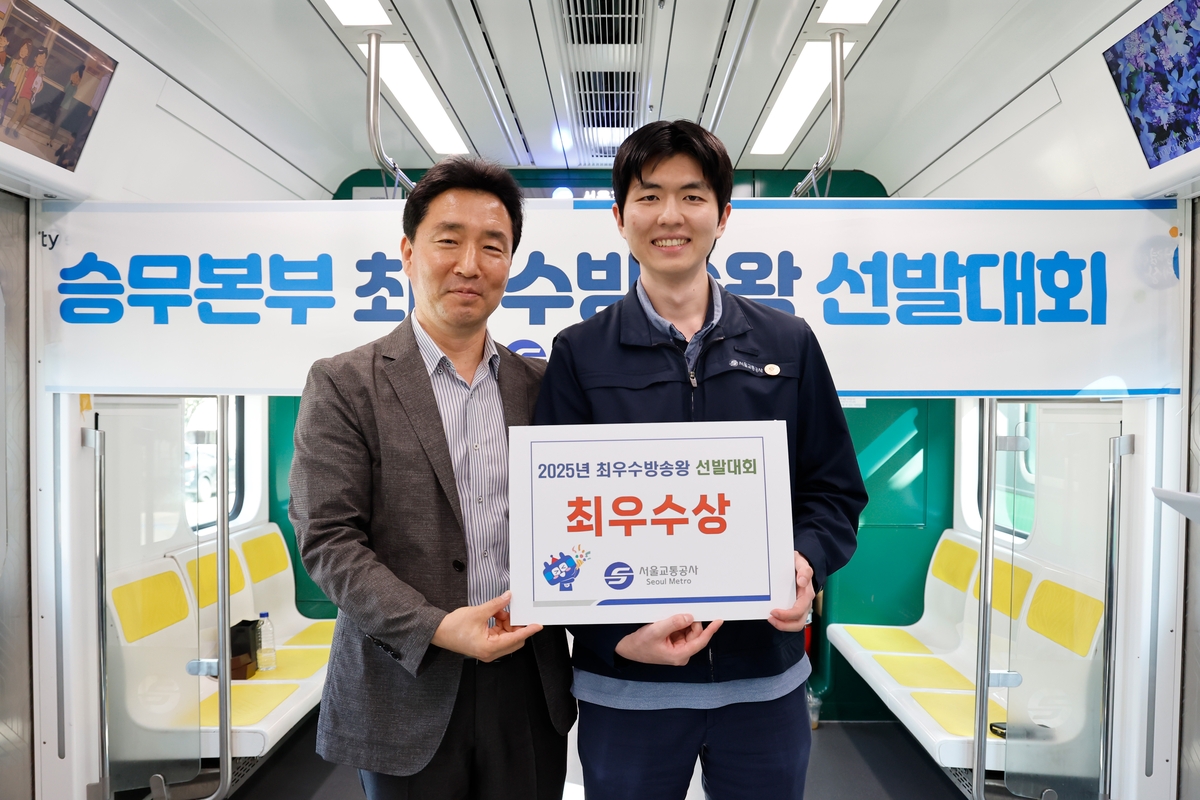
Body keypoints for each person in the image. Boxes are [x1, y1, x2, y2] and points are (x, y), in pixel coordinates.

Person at [532, 120, 868, 800]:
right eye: (649, 196)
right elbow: (554, 525)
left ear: (723, 215)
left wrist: (804, 560)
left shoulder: (788, 344)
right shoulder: (579, 352)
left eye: (692, 196)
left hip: (764, 679)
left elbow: (834, 493)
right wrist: (618, 635)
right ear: (620, 217)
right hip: (627, 684)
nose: (670, 216)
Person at [290, 156, 575, 800]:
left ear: (510, 263)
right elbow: (329, 541)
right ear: (408, 252)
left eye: (493, 246)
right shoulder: (345, 383)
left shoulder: (542, 386)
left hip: (529, 679)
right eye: (449, 240)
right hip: (403, 680)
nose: (470, 264)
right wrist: (438, 627)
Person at [8, 47, 46, 138]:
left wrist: (37, 89)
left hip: (29, 97)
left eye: (43, 58)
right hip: (23, 94)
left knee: (27, 114)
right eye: (39, 57)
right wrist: (17, 93)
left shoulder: (39, 75)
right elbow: (23, 81)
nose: (41, 60)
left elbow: (39, 87)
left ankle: (17, 130)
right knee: (18, 112)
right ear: (35, 58)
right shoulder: (30, 70)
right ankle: (9, 127)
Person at [50, 66, 83, 144]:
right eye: (75, 76)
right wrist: (71, 82)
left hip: (65, 108)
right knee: (55, 122)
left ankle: (51, 138)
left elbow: (73, 93)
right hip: (60, 105)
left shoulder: (75, 88)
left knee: (57, 124)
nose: (76, 78)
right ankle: (51, 137)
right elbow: (65, 90)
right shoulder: (69, 84)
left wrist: (75, 85)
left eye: (78, 77)